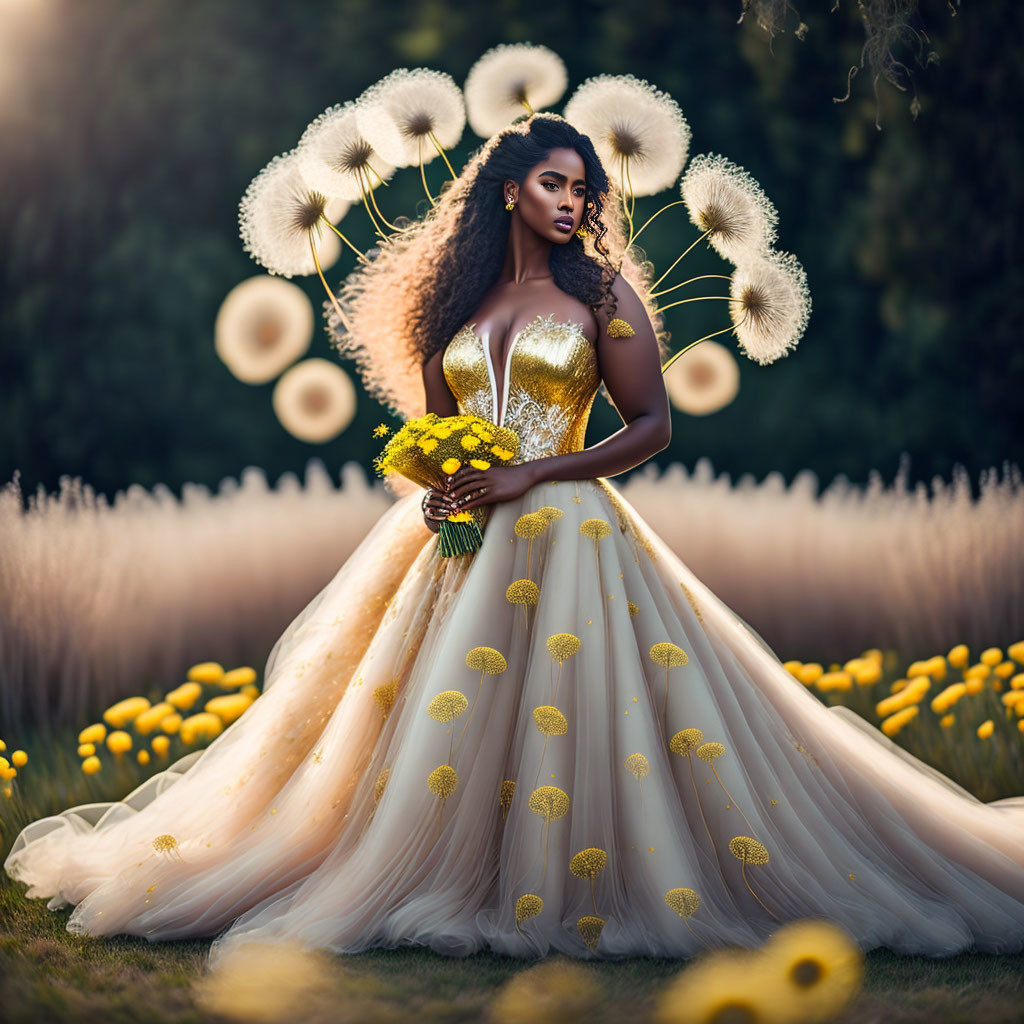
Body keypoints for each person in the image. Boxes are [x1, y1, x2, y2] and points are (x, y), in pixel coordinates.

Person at [6, 115, 1024, 965]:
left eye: (584, 186)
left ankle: (558, 881)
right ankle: (429, 865)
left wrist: (537, 468)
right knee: (425, 720)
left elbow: (653, 426)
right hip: (455, 542)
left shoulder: (601, 294)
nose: (573, 201)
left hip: (568, 529)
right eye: (552, 182)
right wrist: (438, 486)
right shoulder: (457, 299)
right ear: (505, 191)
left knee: (572, 715)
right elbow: (440, 422)